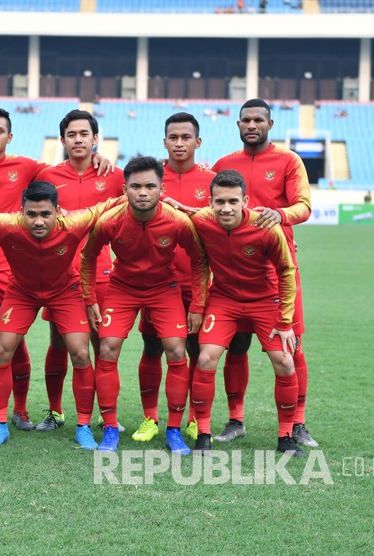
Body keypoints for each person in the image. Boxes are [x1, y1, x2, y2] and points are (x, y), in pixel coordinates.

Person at [0, 107, 114, 433]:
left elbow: (106, 181)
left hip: (37, 268)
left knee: (39, 343)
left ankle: (26, 412)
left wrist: (98, 156)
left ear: (10, 136)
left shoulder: (34, 168)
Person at [0, 181, 126, 449]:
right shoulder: (5, 224)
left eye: (45, 214)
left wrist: (169, 203)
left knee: (81, 353)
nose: (38, 221)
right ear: (20, 211)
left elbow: (111, 204)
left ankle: (83, 426)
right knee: (2, 350)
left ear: (58, 211)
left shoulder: (74, 222)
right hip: (21, 291)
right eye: (31, 214)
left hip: (65, 291)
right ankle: (0, 424)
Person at [81, 156, 208, 454]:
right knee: (107, 348)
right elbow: (87, 257)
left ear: (161, 189)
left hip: (164, 289)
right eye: (135, 186)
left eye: (150, 186)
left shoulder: (177, 221)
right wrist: (89, 299)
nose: (142, 192)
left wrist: (198, 305)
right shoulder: (110, 220)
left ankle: (174, 430)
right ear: (124, 189)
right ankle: (110, 427)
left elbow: (200, 260)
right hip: (122, 288)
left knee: (177, 351)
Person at [211, 98, 316, 448]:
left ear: (270, 124)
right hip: (234, 270)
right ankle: (235, 419)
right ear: (238, 125)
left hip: (278, 269)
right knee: (236, 345)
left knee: (292, 345)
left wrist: (279, 214)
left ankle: (297, 423)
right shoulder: (224, 164)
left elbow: (304, 205)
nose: (251, 125)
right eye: (245, 120)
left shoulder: (288, 160)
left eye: (258, 120)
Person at [189, 170, 304, 457]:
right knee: (205, 358)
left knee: (285, 362)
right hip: (224, 300)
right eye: (219, 202)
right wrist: (199, 306)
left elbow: (287, 272)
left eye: (232, 201)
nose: (226, 208)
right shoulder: (202, 221)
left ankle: (286, 436)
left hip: (264, 300)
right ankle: (203, 434)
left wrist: (285, 320)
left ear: (245, 201)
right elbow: (199, 261)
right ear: (210, 202)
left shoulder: (265, 226)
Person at [33, 110, 124, 432]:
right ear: (62, 140)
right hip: (59, 276)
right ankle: (55, 412)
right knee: (59, 342)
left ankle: (103, 413)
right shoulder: (47, 176)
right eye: (71, 135)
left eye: (84, 134)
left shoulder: (115, 176)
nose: (78, 140)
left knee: (102, 344)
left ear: (95, 139)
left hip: (102, 274)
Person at [133, 113, 216, 444]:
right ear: (164, 141)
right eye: (173, 137)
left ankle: (195, 418)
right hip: (155, 283)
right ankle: (150, 417)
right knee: (152, 347)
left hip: (197, 282)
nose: (179, 143)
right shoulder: (148, 178)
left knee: (195, 352)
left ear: (198, 142)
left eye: (186, 137)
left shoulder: (212, 179)